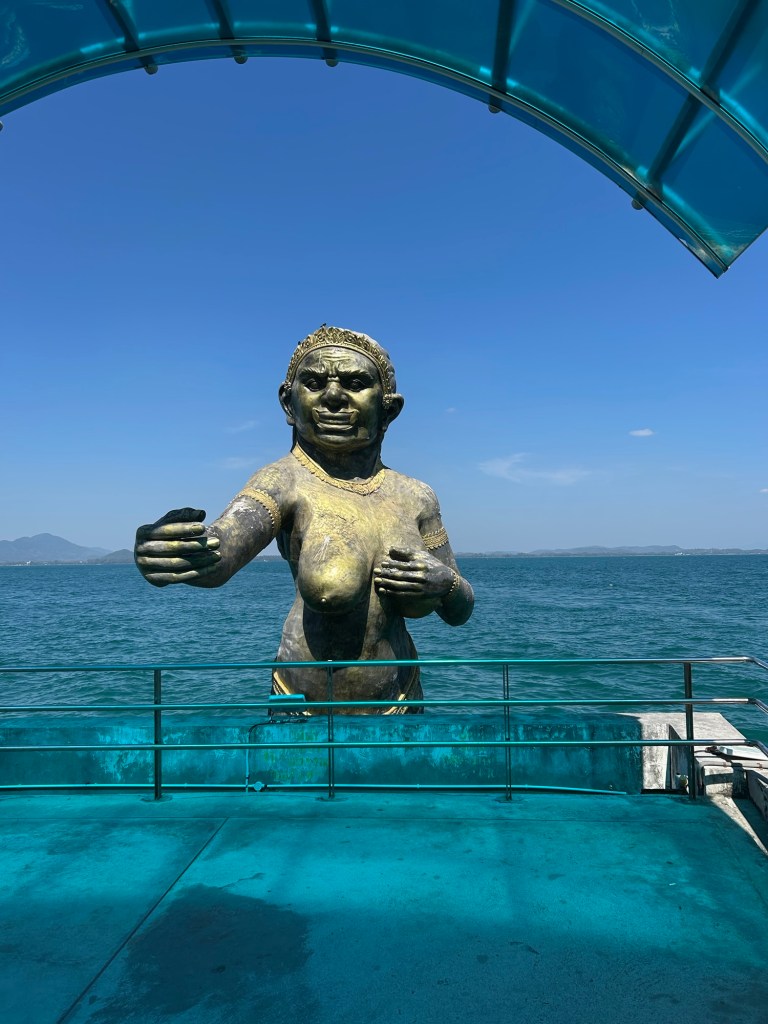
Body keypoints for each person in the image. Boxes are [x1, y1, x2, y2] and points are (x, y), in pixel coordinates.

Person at [134, 325, 474, 713]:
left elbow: (460, 609)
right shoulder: (283, 482)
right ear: (288, 402)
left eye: (355, 383)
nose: (333, 397)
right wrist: (174, 549)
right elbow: (222, 551)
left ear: (389, 409)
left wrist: (445, 584)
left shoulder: (416, 496)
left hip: (400, 699)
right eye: (314, 383)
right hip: (303, 706)